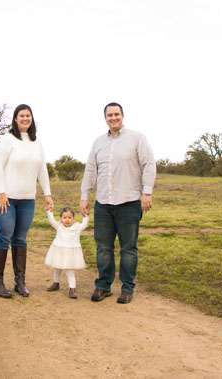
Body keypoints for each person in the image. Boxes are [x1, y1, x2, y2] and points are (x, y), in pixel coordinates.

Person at [80, 102, 156, 304]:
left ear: (123, 116)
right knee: (103, 247)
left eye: (116, 114)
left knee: (128, 248)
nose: (113, 118)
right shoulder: (98, 143)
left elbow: (149, 164)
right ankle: (103, 286)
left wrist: (146, 192)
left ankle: (127, 288)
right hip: (103, 203)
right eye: (109, 115)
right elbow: (90, 170)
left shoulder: (137, 138)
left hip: (129, 202)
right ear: (105, 118)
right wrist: (84, 196)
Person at [0, 103, 53, 298]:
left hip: (27, 199)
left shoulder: (36, 142)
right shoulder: (7, 140)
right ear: (15, 119)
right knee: (4, 236)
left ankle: (20, 282)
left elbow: (42, 169)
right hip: (4, 197)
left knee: (20, 239)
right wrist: (1, 192)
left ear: (32, 119)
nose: (25, 118)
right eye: (21, 116)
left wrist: (47, 194)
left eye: (28, 116)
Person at [44, 205, 90, 299]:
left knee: (69, 270)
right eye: (65, 218)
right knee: (57, 268)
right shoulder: (59, 226)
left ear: (73, 218)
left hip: (70, 253)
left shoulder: (77, 227)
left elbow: (84, 225)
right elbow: (51, 221)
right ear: (61, 218)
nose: (67, 220)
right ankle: (56, 283)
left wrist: (86, 216)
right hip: (59, 251)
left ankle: (72, 289)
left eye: (69, 217)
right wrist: (49, 212)